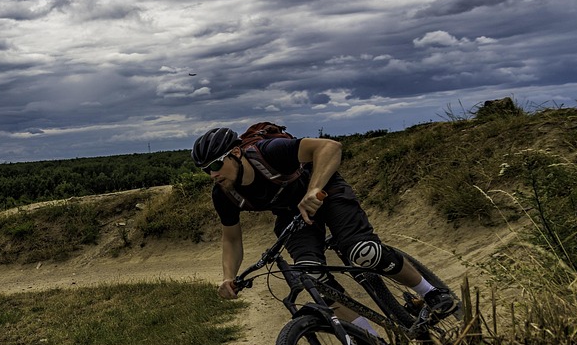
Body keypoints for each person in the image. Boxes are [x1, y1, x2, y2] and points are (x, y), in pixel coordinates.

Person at [192, 126, 456, 333]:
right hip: (292, 214)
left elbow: (330, 147)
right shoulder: (223, 195)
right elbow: (231, 239)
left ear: (236, 153)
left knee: (364, 252)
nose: (213, 174)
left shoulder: (269, 152)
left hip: (326, 192)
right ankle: (369, 337)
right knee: (312, 277)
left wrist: (314, 189)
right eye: (205, 170)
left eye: (216, 165)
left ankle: (431, 293)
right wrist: (228, 277)